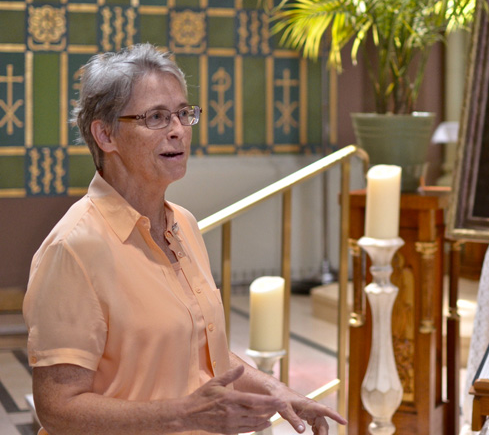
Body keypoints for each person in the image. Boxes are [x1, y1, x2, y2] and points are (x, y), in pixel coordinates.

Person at [23, 43, 347, 435]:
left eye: (183, 113)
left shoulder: (185, 225)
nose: (178, 129)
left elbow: (203, 354)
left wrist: (280, 393)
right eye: (156, 117)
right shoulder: (73, 249)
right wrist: (182, 416)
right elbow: (58, 409)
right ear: (105, 134)